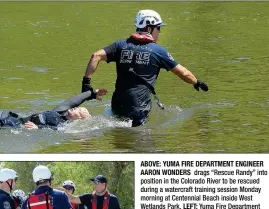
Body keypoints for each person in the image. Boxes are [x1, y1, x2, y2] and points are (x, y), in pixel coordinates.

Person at [81, 9, 209, 127]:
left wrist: (86, 84)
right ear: (149, 28)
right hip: (138, 109)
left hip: (116, 105)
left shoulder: (119, 45)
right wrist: (196, 82)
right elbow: (184, 74)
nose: (159, 31)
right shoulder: (158, 51)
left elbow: (95, 56)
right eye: (158, 28)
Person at [0, 89, 107, 134]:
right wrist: (93, 93)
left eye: (79, 110)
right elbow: (75, 99)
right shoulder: (60, 112)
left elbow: (54, 130)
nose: (75, 108)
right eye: (78, 107)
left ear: (79, 119)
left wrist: (38, 127)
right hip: (11, 116)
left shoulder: (64, 126)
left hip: (13, 125)